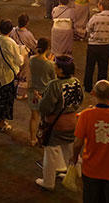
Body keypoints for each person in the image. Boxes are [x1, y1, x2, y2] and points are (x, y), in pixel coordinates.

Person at [70, 80, 109, 202]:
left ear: (94, 93)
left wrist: (74, 157)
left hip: (92, 168)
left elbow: (77, 143)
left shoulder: (86, 115)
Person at [36, 55, 84, 191]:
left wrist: (40, 100)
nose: (54, 66)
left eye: (56, 65)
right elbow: (80, 100)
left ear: (61, 70)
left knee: (50, 153)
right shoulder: (76, 82)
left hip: (56, 124)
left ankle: (48, 182)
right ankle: (77, 173)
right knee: (71, 150)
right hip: (72, 121)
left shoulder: (54, 85)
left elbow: (45, 107)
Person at [0, 20, 24, 132]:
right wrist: (22, 55)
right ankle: (2, 123)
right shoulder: (11, 43)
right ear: (10, 30)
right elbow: (19, 61)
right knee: (5, 101)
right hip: (7, 76)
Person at [84, 0, 109, 93]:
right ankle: (101, 88)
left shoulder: (95, 17)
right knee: (103, 67)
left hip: (93, 45)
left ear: (101, 6)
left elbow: (88, 29)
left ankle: (88, 87)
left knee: (90, 66)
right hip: (107, 45)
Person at [28, 38, 56, 147]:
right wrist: (50, 62)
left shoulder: (32, 59)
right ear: (48, 48)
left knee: (34, 117)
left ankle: (32, 139)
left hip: (33, 91)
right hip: (44, 93)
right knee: (45, 118)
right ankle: (43, 138)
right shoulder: (50, 64)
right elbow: (53, 79)